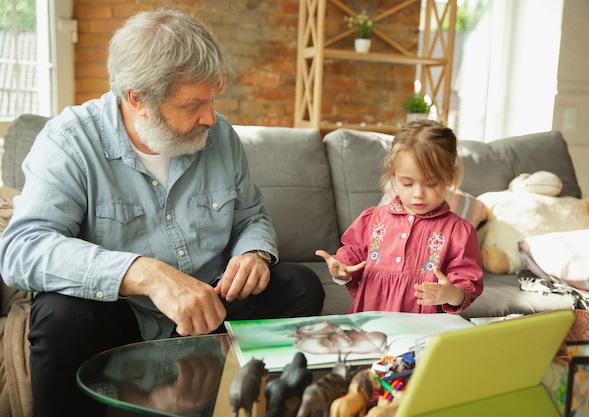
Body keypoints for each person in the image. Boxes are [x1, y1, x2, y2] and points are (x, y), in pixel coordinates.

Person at [0, 9, 324, 417]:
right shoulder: (69, 142)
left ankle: (241, 406)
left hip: (213, 306)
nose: (211, 117)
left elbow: (251, 217)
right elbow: (22, 250)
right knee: (62, 314)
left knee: (299, 284)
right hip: (122, 317)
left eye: (212, 99)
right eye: (193, 104)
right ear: (137, 99)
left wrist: (253, 253)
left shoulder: (219, 135)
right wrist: (147, 274)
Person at [316, 119, 482, 314]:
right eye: (407, 183)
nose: (418, 194)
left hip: (422, 327)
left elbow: (468, 282)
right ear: (392, 175)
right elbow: (353, 256)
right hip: (371, 319)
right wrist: (341, 269)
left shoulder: (458, 231)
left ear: (450, 178)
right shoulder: (373, 219)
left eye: (431, 183)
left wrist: (452, 293)